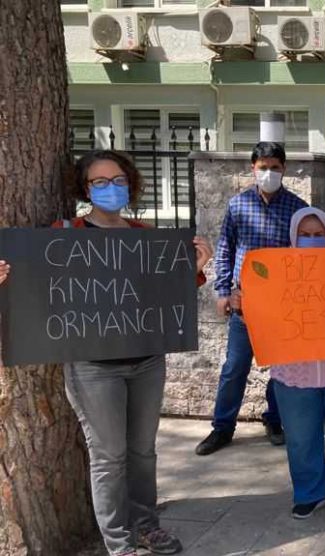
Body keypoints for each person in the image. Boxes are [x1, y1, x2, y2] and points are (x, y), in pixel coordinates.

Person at [0, 150, 213, 556]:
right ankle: (118, 543)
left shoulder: (145, 234)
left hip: (147, 360)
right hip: (93, 368)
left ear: (130, 184)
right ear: (85, 188)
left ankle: (146, 526)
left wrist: (195, 268)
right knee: (109, 457)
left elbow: (162, 295)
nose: (110, 188)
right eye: (99, 182)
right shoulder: (65, 235)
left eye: (117, 180)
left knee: (143, 452)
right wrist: (7, 280)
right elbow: (37, 290)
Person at [230, 207, 325, 519]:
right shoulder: (275, 275)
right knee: (300, 437)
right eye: (305, 235)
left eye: (318, 234)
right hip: (294, 373)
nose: (312, 239)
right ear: (293, 237)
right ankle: (310, 492)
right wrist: (242, 304)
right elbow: (260, 319)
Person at [197, 142, 309, 456]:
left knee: (282, 369)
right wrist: (222, 292)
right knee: (235, 367)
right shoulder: (238, 206)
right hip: (244, 304)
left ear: (284, 169)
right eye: (263, 167)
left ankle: (275, 420)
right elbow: (225, 250)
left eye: (275, 167)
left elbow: (305, 257)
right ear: (253, 168)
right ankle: (222, 427)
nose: (268, 172)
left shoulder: (298, 209)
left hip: (282, 305)